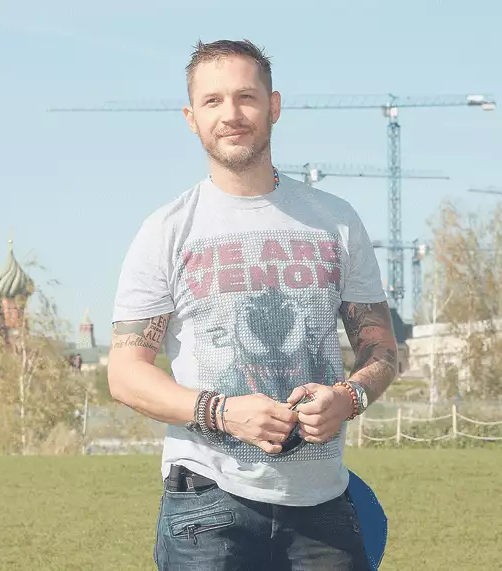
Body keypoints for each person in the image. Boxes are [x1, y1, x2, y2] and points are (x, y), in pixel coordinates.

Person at [108, 39, 398, 570]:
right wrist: (222, 412)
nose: (231, 114)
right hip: (206, 506)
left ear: (274, 106)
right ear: (191, 118)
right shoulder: (166, 230)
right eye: (212, 101)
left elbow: (381, 349)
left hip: (324, 505)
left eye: (246, 97)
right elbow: (126, 375)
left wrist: (348, 398)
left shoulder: (335, 220)